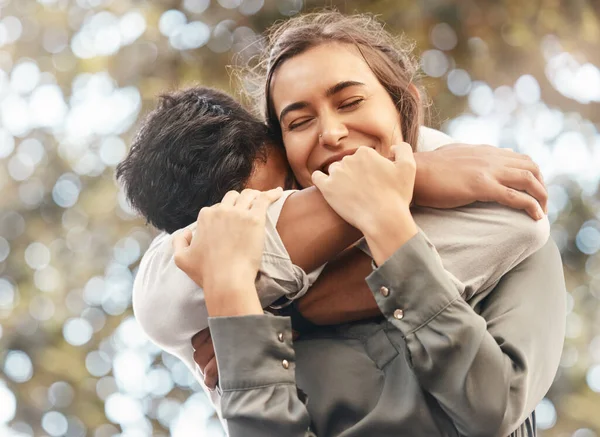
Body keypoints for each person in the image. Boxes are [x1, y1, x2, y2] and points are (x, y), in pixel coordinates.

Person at [120, 13, 565, 435]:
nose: (331, 133)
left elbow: (491, 408)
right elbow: (164, 296)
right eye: (300, 121)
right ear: (285, 141)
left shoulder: (494, 207)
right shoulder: (173, 272)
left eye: (350, 101)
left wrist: (259, 312)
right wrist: (415, 178)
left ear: (404, 102)